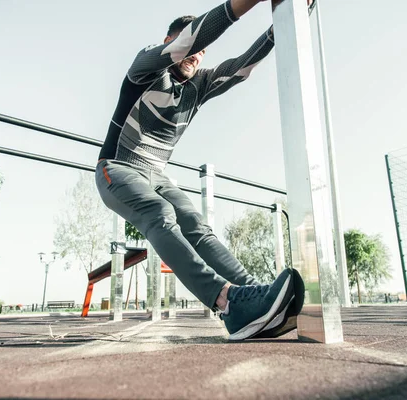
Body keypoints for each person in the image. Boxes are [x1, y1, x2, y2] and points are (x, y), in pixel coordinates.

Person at [96, 0, 308, 340]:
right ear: (169, 41)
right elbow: (188, 42)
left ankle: (258, 298)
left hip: (157, 175)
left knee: (196, 224)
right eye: (192, 47)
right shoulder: (145, 68)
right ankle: (226, 302)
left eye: (203, 53)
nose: (197, 55)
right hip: (117, 168)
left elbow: (241, 67)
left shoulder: (199, 86)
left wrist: (282, 21)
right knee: (160, 212)